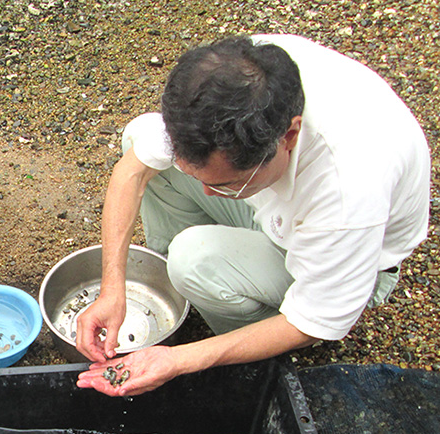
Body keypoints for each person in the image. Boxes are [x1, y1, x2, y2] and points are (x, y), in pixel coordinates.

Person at [76, 35, 430, 397]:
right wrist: (112, 289)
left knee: (194, 260)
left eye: (226, 183)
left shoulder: (348, 190)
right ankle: (195, 290)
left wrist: (180, 360)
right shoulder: (233, 79)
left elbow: (313, 322)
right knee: (139, 140)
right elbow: (131, 171)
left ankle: (249, 344)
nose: (207, 193)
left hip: (342, 259)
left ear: (288, 136)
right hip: (276, 207)